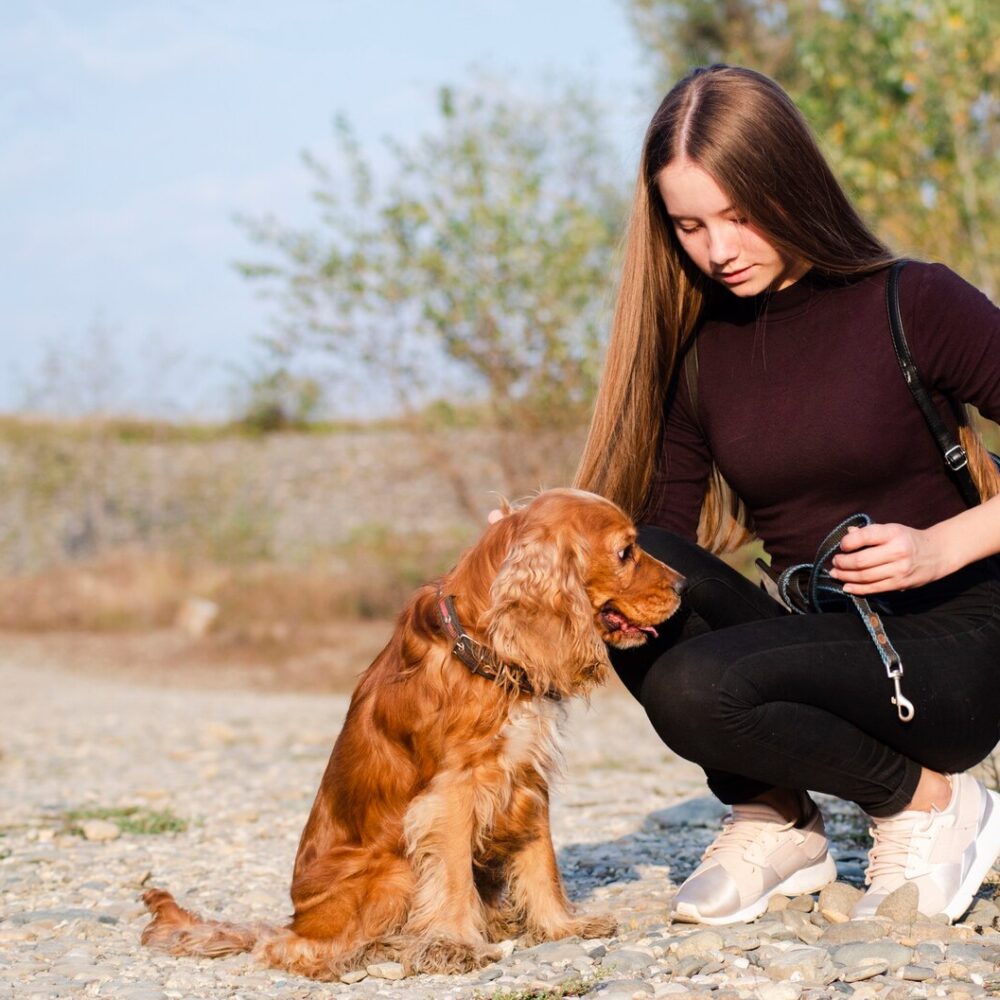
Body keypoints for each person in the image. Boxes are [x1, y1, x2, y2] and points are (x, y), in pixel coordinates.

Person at [573, 64, 1000, 925]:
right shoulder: (700, 353)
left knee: (699, 685)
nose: (718, 249)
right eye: (690, 224)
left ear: (790, 185)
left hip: (957, 648)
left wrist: (944, 544)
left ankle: (931, 803)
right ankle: (776, 816)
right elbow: (660, 536)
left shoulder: (912, 301)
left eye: (738, 214)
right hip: (820, 638)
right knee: (626, 580)